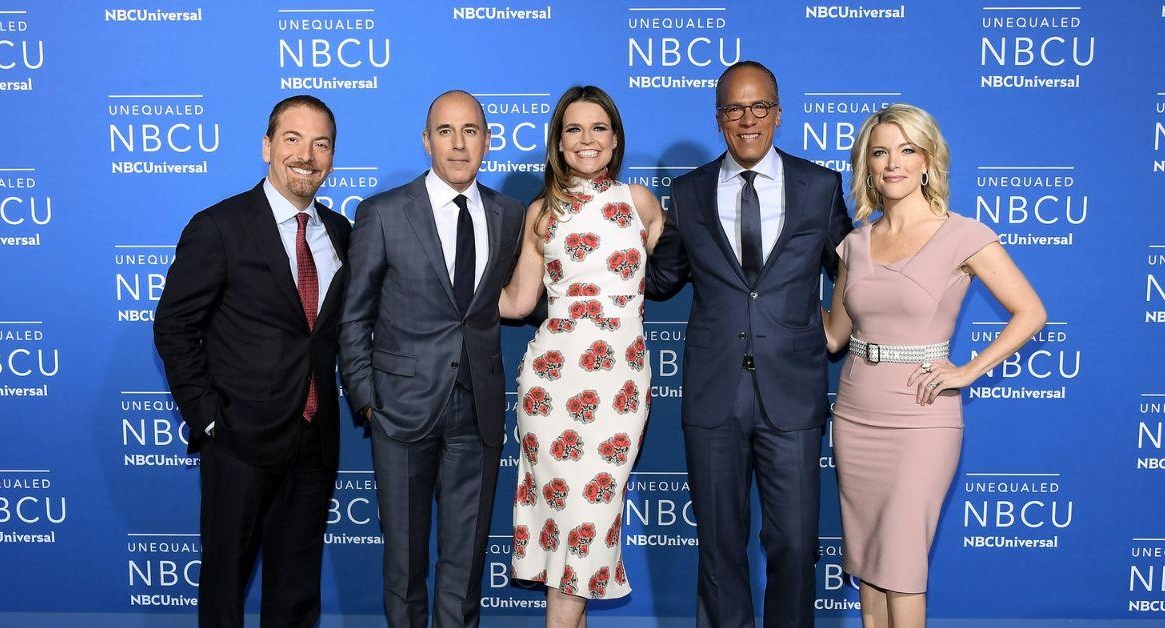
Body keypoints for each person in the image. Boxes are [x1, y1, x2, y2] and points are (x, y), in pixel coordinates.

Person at [645, 61, 853, 628]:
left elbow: (857, 274)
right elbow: (660, 281)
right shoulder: (687, 193)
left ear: (778, 114)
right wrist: (607, 233)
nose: (747, 120)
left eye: (759, 107)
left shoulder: (819, 187)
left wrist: (839, 330)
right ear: (718, 119)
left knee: (794, 545)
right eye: (734, 109)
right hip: (714, 396)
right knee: (718, 551)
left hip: (793, 392)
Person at [822, 104, 1046, 627]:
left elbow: (1031, 311)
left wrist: (967, 370)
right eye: (880, 152)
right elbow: (834, 336)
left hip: (922, 419)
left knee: (901, 567)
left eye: (906, 150)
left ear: (927, 161)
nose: (893, 163)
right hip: (855, 415)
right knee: (870, 568)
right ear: (867, 165)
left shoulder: (962, 235)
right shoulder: (855, 244)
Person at [153, 95, 350, 628]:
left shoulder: (341, 234)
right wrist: (211, 418)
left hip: (314, 440)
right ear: (267, 147)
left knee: (295, 589)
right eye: (292, 139)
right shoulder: (219, 226)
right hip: (239, 440)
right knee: (224, 588)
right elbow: (173, 327)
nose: (306, 155)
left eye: (320, 143)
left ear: (332, 157)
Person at [338, 90, 526, 628]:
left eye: (471, 131)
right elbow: (355, 316)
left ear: (488, 141)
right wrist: (368, 401)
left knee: (465, 567)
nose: (459, 143)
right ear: (426, 141)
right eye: (445, 131)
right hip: (400, 412)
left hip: (477, 412)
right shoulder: (383, 212)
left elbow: (515, 298)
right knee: (404, 566)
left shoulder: (508, 213)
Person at [500, 85, 664, 627]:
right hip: (554, 383)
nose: (587, 139)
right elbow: (521, 301)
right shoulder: (541, 213)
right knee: (569, 526)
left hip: (619, 382)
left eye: (598, 128)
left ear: (615, 139)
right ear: (558, 141)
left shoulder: (641, 204)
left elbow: (645, 280)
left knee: (590, 518)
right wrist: (438, 289)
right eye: (574, 129)